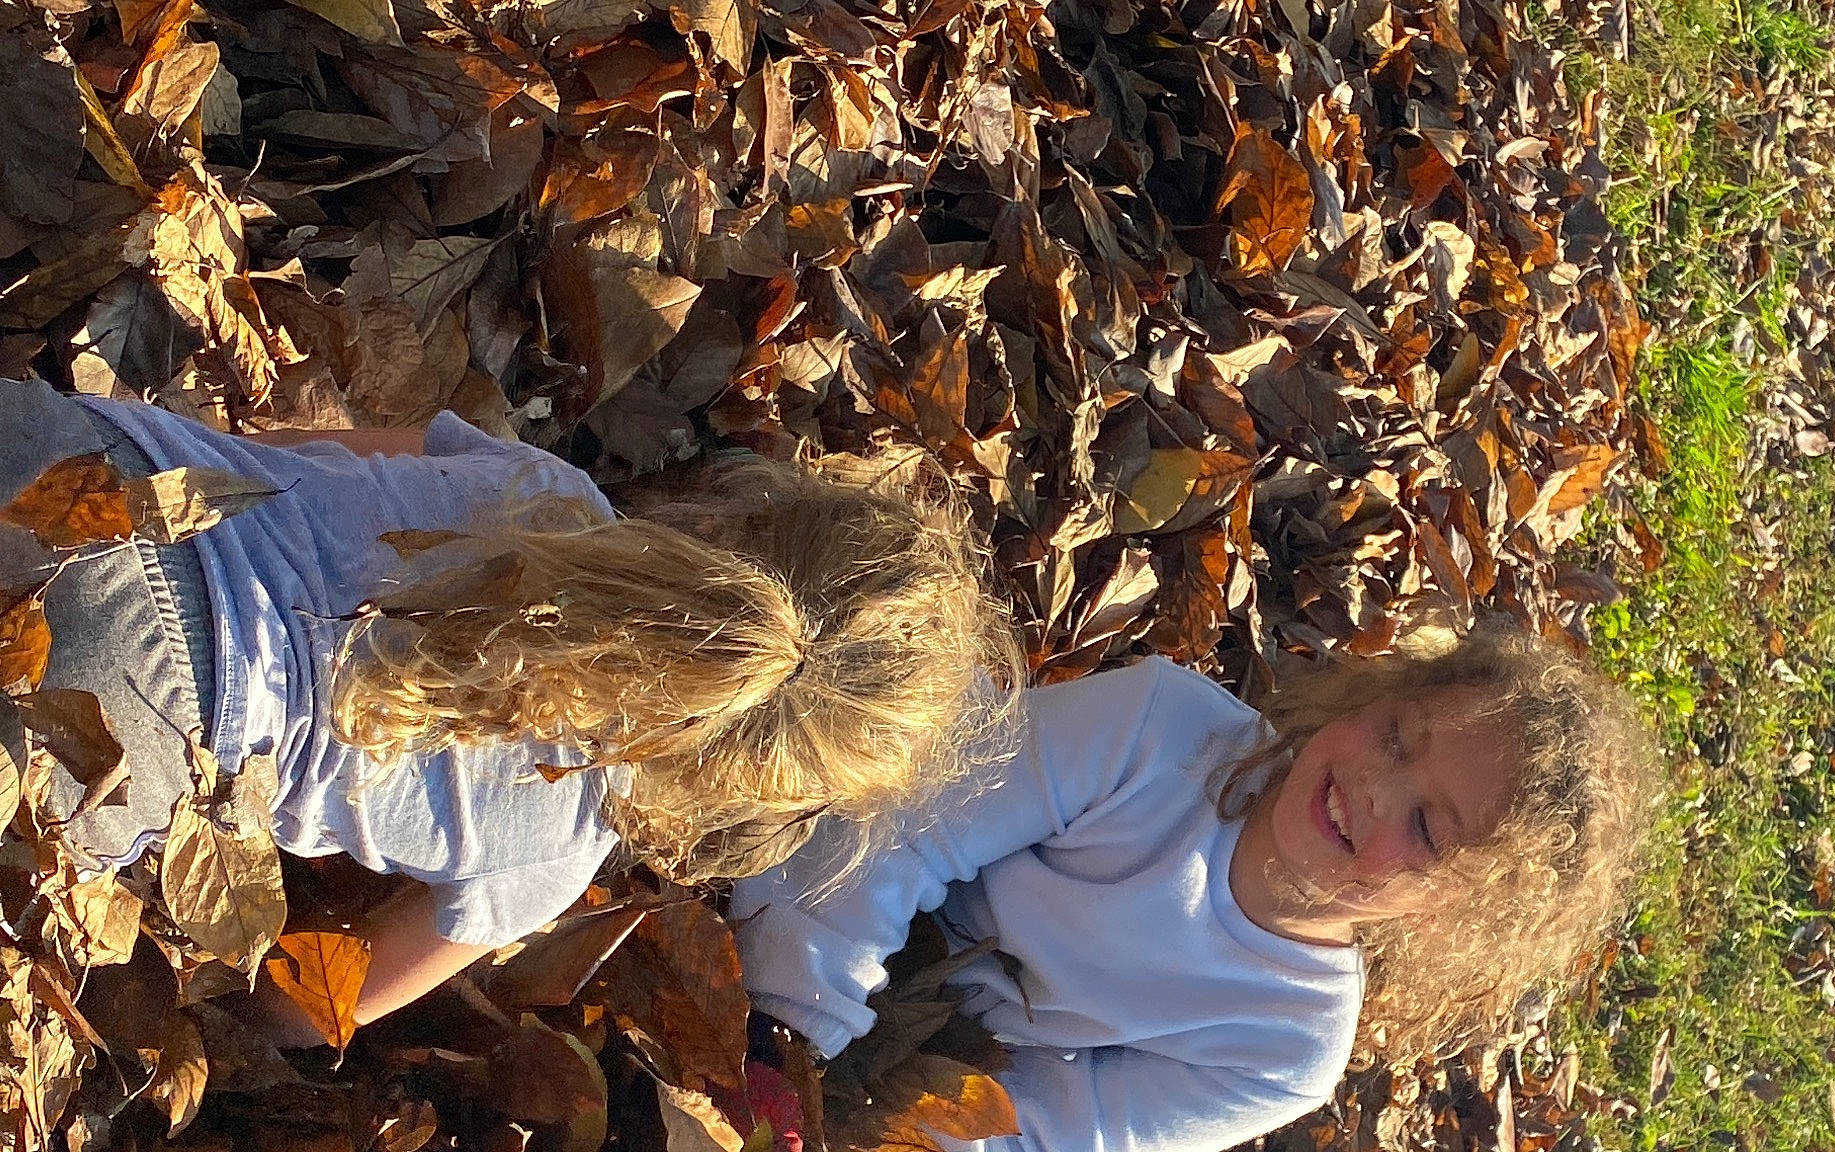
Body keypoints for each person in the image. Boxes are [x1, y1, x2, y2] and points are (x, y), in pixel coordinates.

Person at [0, 378, 1019, 1037]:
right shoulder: (547, 862)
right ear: (747, 787)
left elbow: (288, 448)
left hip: (87, 471)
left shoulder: (543, 483)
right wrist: (218, 1012)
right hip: (132, 732)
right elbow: (323, 1008)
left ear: (744, 515)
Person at [731, 620, 1654, 1152]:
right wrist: (789, 1036)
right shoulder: (1158, 730)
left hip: (899, 1058)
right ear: (1370, 696)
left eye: (1424, 827)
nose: (1374, 788)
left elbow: (1052, 1137)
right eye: (1396, 735)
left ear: (1455, 906)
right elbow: (904, 828)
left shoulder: (1286, 1045)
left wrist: (846, 1128)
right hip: (819, 879)